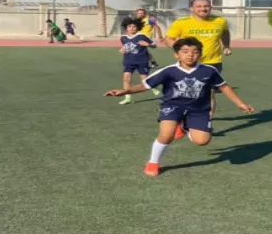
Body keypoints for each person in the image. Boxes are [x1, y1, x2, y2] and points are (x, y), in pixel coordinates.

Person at [104, 37, 254, 177]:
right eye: (185, 52)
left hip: (199, 110)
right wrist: (126, 91)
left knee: (202, 141)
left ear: (200, 55)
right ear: (176, 55)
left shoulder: (209, 70)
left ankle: (184, 127)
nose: (190, 55)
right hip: (172, 106)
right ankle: (153, 162)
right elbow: (145, 85)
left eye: (195, 52)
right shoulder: (169, 71)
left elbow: (224, 87)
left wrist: (240, 103)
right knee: (166, 135)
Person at [165, 0, 231, 122]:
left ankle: (207, 121)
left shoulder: (220, 21)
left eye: (206, 6)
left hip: (212, 62)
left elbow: (225, 33)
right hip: (188, 63)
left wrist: (226, 46)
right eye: (199, 6)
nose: (203, 9)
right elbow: (169, 39)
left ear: (211, 7)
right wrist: (178, 50)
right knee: (185, 91)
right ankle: (182, 116)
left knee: (209, 93)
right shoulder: (181, 23)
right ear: (192, 8)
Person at [117, 17, 161, 105]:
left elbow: (154, 45)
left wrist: (147, 44)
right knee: (126, 79)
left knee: (144, 80)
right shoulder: (123, 38)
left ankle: (153, 87)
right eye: (130, 26)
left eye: (134, 26)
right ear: (126, 28)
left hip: (142, 61)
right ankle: (128, 98)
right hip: (128, 61)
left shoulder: (142, 36)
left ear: (137, 28)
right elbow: (126, 46)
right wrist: (122, 49)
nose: (132, 28)